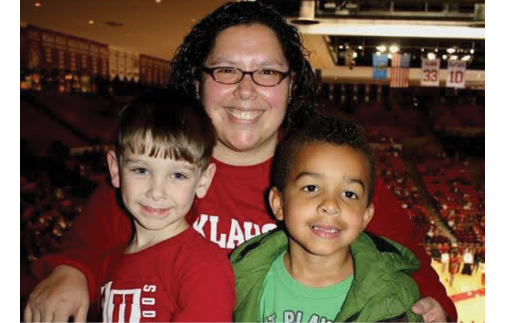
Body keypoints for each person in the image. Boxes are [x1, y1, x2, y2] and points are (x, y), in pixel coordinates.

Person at [24, 2, 456, 323]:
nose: (246, 90)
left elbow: (425, 286)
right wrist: (70, 271)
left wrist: (436, 311)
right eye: (227, 70)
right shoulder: (151, 173)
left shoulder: (331, 176)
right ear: (198, 82)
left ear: (291, 87)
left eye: (267, 72)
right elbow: (79, 254)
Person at [231, 115, 423, 323]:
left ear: (366, 216)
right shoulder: (240, 279)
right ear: (279, 203)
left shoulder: (395, 299)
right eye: (311, 188)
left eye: (349, 194)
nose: (331, 206)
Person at [97, 92, 235, 322]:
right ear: (115, 169)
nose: (156, 192)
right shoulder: (107, 262)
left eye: (178, 175)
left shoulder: (203, 268)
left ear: (203, 181)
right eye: (141, 170)